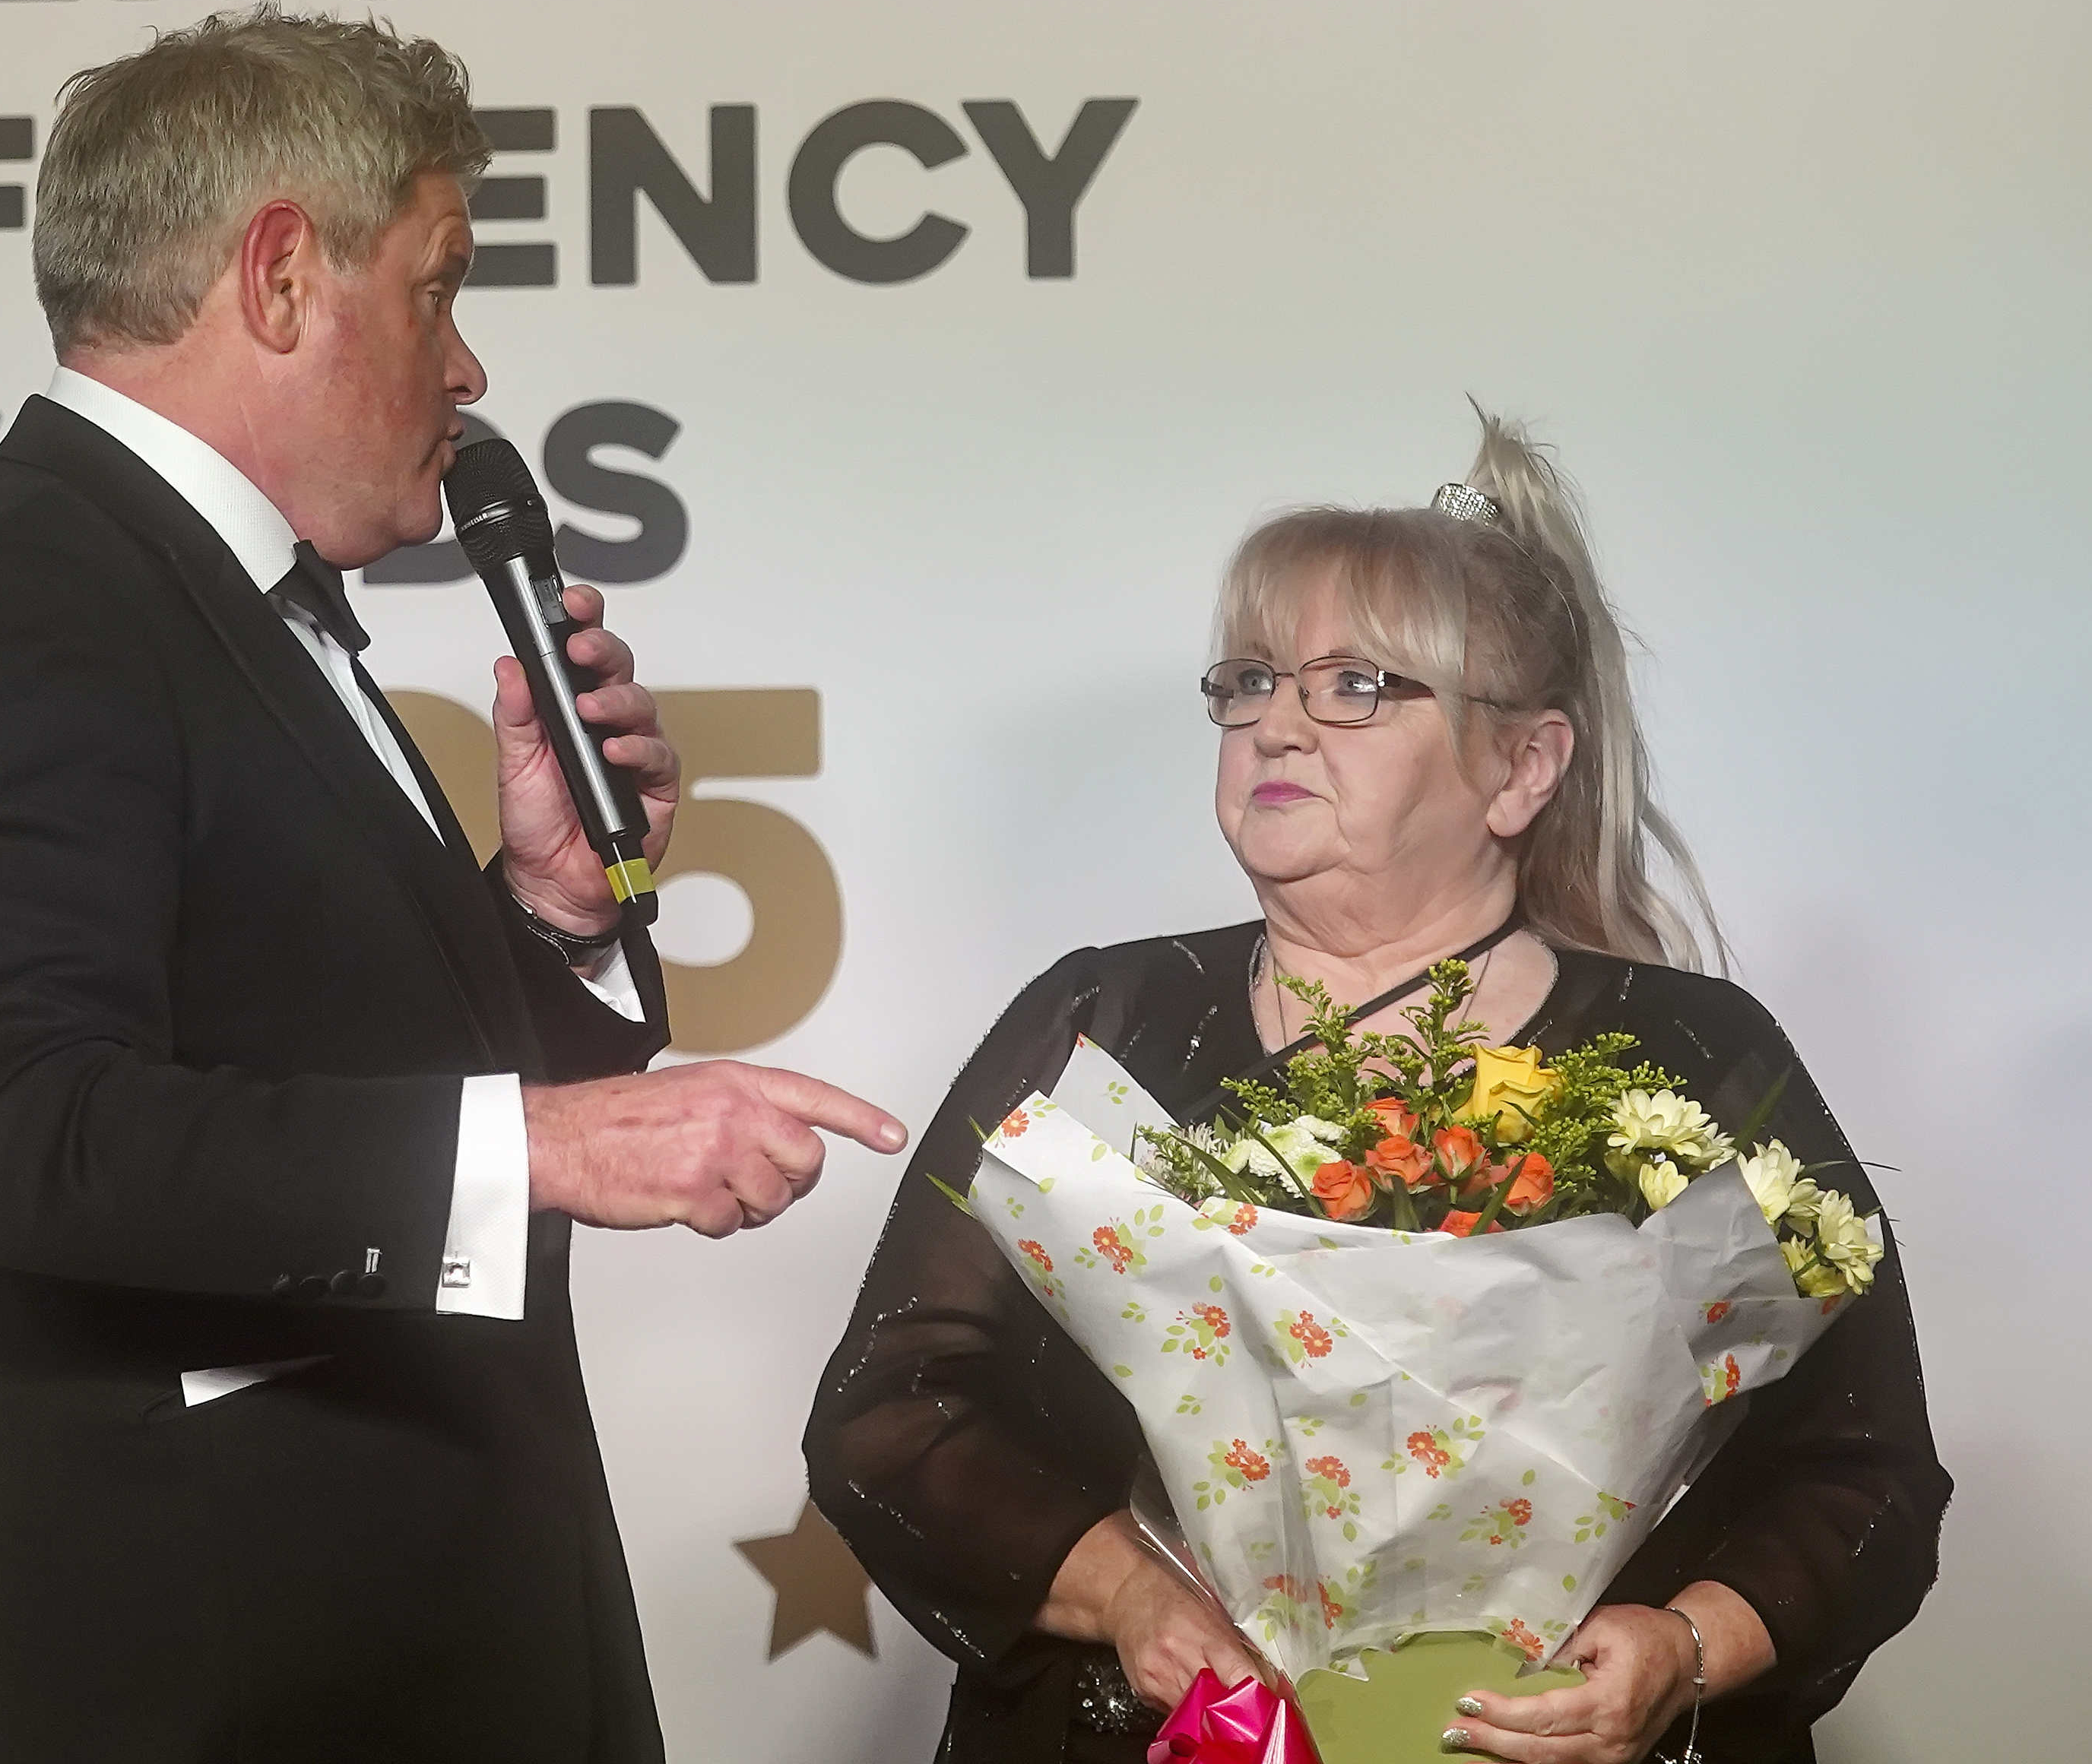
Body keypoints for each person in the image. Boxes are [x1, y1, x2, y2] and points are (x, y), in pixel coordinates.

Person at [0, 9, 905, 1764]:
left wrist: (550, 912)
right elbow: (28, 1134)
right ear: (284, 275)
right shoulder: (19, 604)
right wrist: (544, 1146)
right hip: (204, 1688)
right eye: (438, 288)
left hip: (400, 1651)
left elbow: (333, 1073)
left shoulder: (204, 596)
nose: (467, 367)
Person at [804, 412, 1945, 1764]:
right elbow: (895, 1410)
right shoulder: (1101, 1027)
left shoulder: (1694, 1058)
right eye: (1250, 681)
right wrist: (1126, 1594)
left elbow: (1866, 1476)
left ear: (1521, 767)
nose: (1276, 726)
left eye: (1355, 687)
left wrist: (1685, 1647)